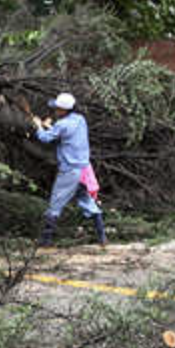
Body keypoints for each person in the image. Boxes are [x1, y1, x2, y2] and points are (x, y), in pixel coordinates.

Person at [32, 92, 106, 246]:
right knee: (88, 201)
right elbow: (66, 135)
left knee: (55, 204)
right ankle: (102, 237)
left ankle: (45, 241)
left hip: (70, 171)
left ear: (64, 110)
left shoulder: (62, 125)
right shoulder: (80, 120)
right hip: (85, 170)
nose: (55, 111)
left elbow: (45, 138)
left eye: (57, 109)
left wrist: (38, 126)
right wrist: (50, 127)